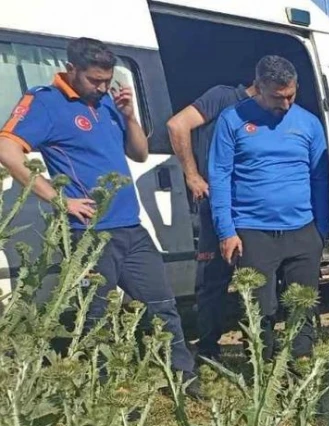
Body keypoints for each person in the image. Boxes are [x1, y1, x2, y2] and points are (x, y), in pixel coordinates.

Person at [0, 37, 200, 395]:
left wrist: (129, 116)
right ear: (71, 69)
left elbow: (139, 154)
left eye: (107, 80)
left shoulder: (107, 102)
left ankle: (182, 380)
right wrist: (59, 200)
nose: (103, 87)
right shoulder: (46, 102)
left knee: (162, 305)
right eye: (95, 80)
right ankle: (102, 389)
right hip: (89, 234)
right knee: (95, 317)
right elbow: (7, 150)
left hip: (131, 228)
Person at [208, 55, 329, 361]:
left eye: (291, 95)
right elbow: (219, 176)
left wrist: (321, 228)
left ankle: (299, 369)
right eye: (277, 97)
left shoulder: (309, 123)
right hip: (253, 232)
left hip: (302, 230)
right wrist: (226, 231)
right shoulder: (232, 119)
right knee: (260, 309)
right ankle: (262, 374)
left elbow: (320, 178)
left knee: (302, 306)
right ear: (259, 86)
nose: (285, 104)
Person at [166, 80, 256, 360]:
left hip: (250, 208)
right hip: (215, 205)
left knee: (253, 280)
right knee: (213, 281)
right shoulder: (223, 96)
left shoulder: (268, 112)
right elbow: (177, 125)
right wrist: (192, 176)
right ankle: (208, 349)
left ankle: (254, 346)